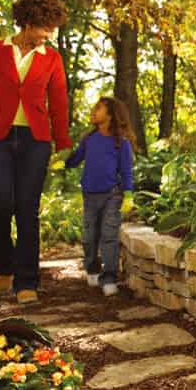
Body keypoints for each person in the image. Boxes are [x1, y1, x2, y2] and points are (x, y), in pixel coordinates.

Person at [0, 0, 72, 305]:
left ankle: (26, 281)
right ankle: (3, 265)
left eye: (52, 28)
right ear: (28, 23)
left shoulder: (51, 58)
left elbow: (60, 102)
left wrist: (62, 140)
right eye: (45, 28)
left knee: (27, 209)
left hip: (35, 141)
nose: (49, 34)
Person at [66, 96, 135, 297]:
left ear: (111, 115)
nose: (94, 110)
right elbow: (76, 158)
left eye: (99, 108)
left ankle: (110, 277)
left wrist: (129, 194)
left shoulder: (121, 142)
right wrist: (62, 160)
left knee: (108, 236)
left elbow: (126, 171)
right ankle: (92, 269)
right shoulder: (89, 139)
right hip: (90, 195)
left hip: (112, 195)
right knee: (89, 237)